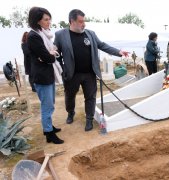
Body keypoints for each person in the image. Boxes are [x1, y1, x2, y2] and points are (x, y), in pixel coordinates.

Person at [54, 9, 128, 131]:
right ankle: (70, 112)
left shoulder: (90, 34)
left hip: (89, 73)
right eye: (81, 21)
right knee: (70, 95)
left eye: (84, 21)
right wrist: (62, 68)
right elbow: (56, 53)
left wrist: (118, 52)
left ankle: (89, 119)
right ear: (72, 21)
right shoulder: (60, 35)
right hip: (72, 74)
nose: (84, 24)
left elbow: (103, 45)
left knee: (90, 97)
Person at [27, 7, 63, 144]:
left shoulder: (42, 33)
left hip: (47, 74)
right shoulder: (34, 36)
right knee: (47, 106)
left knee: (50, 103)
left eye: (49, 19)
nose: (49, 22)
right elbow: (48, 58)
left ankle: (49, 127)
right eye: (46, 19)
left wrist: (49, 54)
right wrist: (50, 55)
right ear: (37, 21)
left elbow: (49, 54)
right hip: (42, 77)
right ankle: (48, 133)